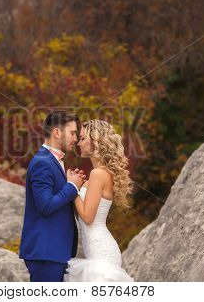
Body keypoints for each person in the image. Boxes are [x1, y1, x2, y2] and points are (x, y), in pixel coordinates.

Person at [19, 109, 86, 281]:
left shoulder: (53, 161)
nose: (76, 139)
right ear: (57, 132)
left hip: (54, 251)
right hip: (45, 251)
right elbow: (46, 206)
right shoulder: (43, 162)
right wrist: (72, 186)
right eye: (72, 133)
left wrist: (74, 183)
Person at [64, 119, 135, 282]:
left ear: (95, 141)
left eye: (82, 139)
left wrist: (72, 188)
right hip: (96, 251)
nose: (78, 143)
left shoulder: (98, 174)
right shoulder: (99, 173)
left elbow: (88, 218)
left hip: (101, 254)